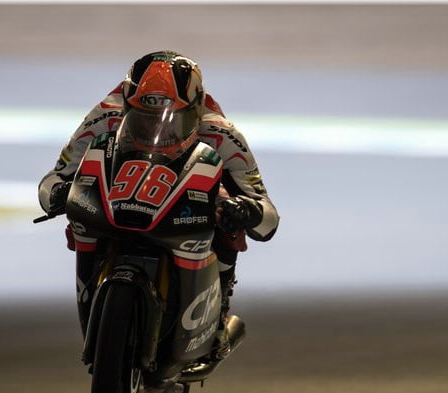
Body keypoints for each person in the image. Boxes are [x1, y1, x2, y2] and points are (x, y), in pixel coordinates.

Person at [38, 50, 279, 359]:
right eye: (143, 119)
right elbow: (54, 177)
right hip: (122, 190)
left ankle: (218, 313)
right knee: (80, 203)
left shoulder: (221, 132)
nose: (157, 130)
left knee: (228, 215)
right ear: (127, 106)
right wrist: (59, 193)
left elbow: (267, 215)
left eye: (173, 121)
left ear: (194, 110)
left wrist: (246, 211)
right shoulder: (104, 116)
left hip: (189, 194)